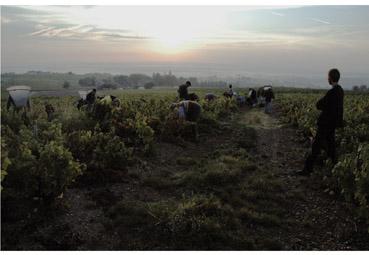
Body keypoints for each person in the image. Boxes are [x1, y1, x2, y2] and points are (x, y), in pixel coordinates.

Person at [298, 68, 344, 176]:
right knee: (331, 148)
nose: (327, 78)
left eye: (328, 77)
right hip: (332, 124)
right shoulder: (340, 91)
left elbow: (319, 105)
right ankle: (336, 171)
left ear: (331, 78)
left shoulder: (331, 92)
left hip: (325, 124)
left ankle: (307, 170)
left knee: (316, 147)